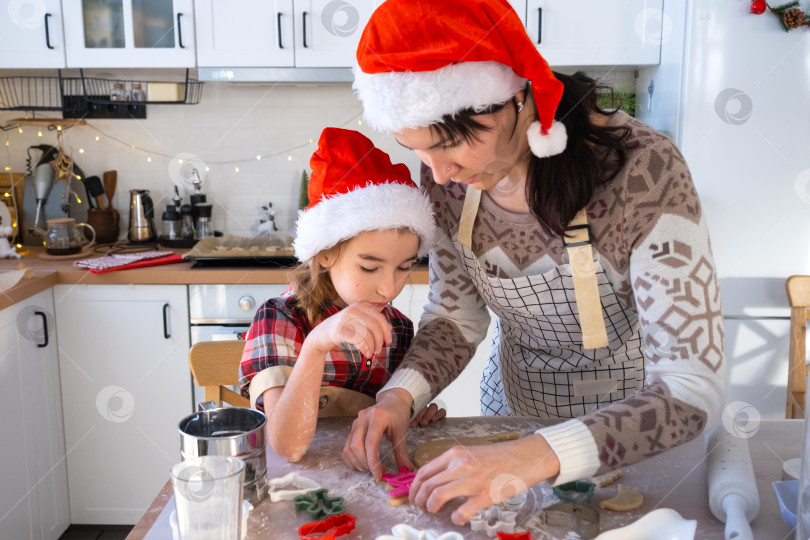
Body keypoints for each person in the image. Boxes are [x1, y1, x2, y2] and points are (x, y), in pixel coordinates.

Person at [343, 0, 726, 525]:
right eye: (419, 151)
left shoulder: (645, 170)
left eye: (450, 146)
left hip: (635, 438)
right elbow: (455, 316)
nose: (439, 172)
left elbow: (689, 388)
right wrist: (398, 397)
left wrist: (535, 456)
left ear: (511, 99)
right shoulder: (446, 182)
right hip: (512, 418)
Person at [239, 127, 443, 462]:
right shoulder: (279, 318)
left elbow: (385, 426)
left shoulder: (399, 329)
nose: (388, 288)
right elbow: (288, 447)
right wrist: (319, 343)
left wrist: (408, 412)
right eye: (369, 267)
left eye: (404, 267)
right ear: (324, 254)